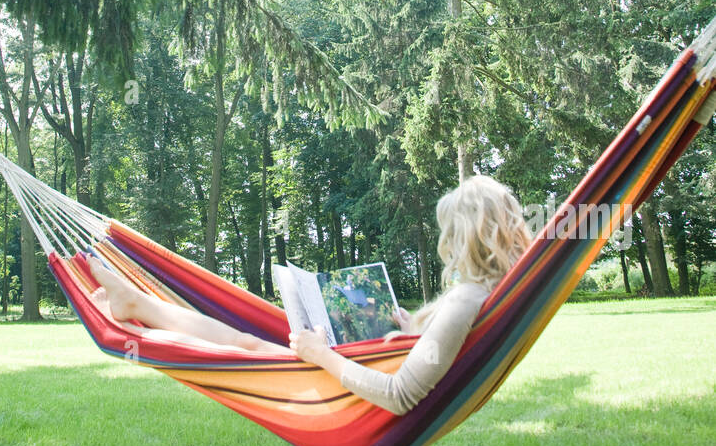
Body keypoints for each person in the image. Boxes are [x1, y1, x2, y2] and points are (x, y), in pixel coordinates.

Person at [88, 175, 531, 413]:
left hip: (356, 393)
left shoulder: (464, 300)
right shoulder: (490, 294)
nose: (445, 243)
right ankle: (140, 305)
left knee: (247, 346)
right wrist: (409, 326)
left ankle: (140, 306)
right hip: (357, 370)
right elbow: (438, 352)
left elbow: (400, 396)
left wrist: (322, 356)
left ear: (467, 235)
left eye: (448, 232)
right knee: (249, 343)